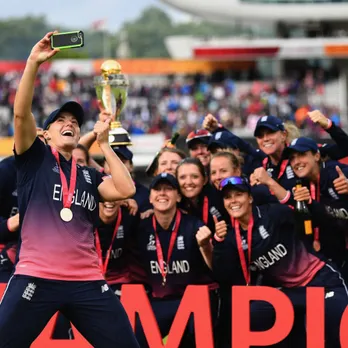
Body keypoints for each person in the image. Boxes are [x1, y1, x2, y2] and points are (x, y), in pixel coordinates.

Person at [0, 32, 139, 348]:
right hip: (36, 277)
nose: (70, 123)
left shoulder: (88, 176)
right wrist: (33, 63)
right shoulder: (33, 160)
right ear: (44, 134)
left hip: (86, 283)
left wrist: (104, 143)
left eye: (75, 121)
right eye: (60, 120)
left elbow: (126, 187)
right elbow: (21, 114)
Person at [213, 176, 348, 348]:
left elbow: (308, 217)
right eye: (227, 197)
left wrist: (303, 201)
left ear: (250, 198)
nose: (233, 201)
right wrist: (218, 241)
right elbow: (223, 274)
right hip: (289, 293)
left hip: (322, 281)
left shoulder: (273, 214)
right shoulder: (233, 237)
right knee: (250, 313)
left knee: (339, 330)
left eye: (238, 195)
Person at [134, 173, 218, 347]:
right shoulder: (141, 228)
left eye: (169, 189)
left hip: (192, 302)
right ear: (150, 197)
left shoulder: (195, 225)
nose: (162, 193)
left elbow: (215, 267)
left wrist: (206, 247)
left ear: (179, 196)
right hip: (158, 301)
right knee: (133, 335)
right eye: (157, 189)